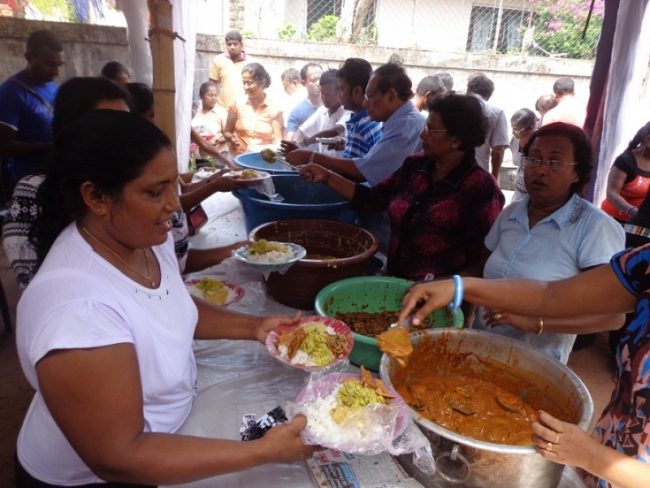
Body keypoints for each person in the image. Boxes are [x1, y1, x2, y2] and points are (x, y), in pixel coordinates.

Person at [15, 110, 315, 486]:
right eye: (155, 192)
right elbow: (122, 458)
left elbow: (170, 307)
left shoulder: (141, 238)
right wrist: (261, 451)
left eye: (174, 184)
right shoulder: (80, 311)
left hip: (165, 432)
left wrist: (256, 326)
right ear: (96, 197)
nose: (175, 204)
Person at [399, 251, 650, 488]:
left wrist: (592, 456)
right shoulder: (645, 261)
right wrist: (460, 287)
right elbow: (550, 295)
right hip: (597, 456)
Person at [297, 94, 504, 281]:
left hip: (439, 299)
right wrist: (326, 176)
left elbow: (482, 260)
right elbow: (371, 199)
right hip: (396, 281)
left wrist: (449, 291)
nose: (422, 134)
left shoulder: (480, 189)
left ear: (456, 140)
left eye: (431, 129)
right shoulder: (414, 166)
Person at [474, 122, 625, 364]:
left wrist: (535, 323)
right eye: (534, 159)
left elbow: (612, 316)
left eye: (554, 163)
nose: (540, 170)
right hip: (480, 348)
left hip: (536, 364)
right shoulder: (510, 214)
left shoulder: (595, 227)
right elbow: (482, 271)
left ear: (577, 173)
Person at [2, 76, 130, 290]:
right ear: (72, 129)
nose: (126, 136)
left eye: (128, 125)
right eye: (109, 126)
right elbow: (33, 283)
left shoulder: (133, 180)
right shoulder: (34, 191)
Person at [0, 30, 64, 187]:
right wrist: (50, 147)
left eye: (58, 65)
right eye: (49, 64)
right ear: (29, 57)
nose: (55, 72)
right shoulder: (11, 93)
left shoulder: (54, 88)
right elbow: (3, 147)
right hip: (28, 182)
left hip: (56, 175)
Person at [284, 69, 351, 157]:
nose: (325, 98)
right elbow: (301, 131)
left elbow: (335, 131)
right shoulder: (322, 111)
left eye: (329, 94)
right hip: (323, 166)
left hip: (340, 167)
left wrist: (305, 142)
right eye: (322, 93)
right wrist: (293, 143)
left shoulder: (348, 111)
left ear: (340, 92)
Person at [223, 63, 283, 155]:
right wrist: (232, 139)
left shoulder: (274, 108)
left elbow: (278, 140)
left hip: (262, 160)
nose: (246, 87)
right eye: (244, 83)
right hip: (238, 158)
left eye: (250, 83)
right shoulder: (237, 104)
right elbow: (227, 132)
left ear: (262, 83)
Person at [601, 121, 650, 223]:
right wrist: (632, 211)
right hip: (614, 219)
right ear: (648, 140)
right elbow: (611, 193)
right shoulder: (626, 161)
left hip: (638, 221)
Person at [335, 57, 382, 159]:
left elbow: (346, 172)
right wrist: (348, 144)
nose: (339, 95)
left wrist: (314, 158)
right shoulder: (372, 121)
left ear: (357, 91)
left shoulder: (361, 128)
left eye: (342, 89)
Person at [466, 73, 509, 181]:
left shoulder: (450, 105)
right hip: (477, 172)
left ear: (468, 88)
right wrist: (494, 177)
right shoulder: (496, 113)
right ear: (489, 95)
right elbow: (498, 150)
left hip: (446, 170)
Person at [209, 30, 251, 110]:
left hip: (243, 109)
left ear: (241, 45)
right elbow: (211, 85)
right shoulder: (218, 60)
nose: (232, 47)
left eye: (235, 44)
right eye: (229, 44)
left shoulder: (250, 62)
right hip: (221, 109)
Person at [190, 81, 229, 159]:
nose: (214, 98)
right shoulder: (194, 112)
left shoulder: (221, 113)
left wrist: (217, 140)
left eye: (215, 95)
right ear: (201, 96)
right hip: (196, 156)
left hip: (217, 155)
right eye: (210, 95)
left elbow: (228, 135)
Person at [284, 63, 323, 139]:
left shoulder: (333, 107)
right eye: (314, 80)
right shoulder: (297, 113)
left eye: (321, 79)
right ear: (304, 83)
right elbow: (290, 140)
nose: (318, 83)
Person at [509, 108, 538, 202]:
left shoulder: (539, 144)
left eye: (517, 129)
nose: (514, 132)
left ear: (530, 127)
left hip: (534, 196)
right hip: (518, 192)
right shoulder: (514, 141)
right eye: (513, 128)